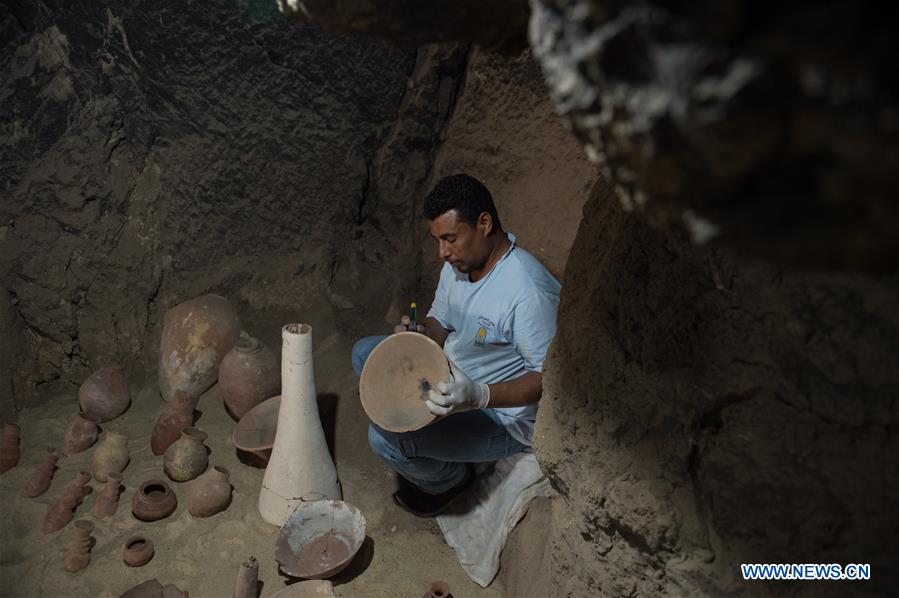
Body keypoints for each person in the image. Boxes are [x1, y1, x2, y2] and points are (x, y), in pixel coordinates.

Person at [352, 174, 560, 517]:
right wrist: (419, 333)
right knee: (365, 352)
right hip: (455, 374)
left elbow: (544, 380)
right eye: (437, 240)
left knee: (386, 442)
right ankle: (438, 439)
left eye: (450, 239)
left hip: (501, 415)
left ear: (484, 223)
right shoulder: (461, 263)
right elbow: (440, 321)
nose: (442, 253)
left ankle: (449, 482)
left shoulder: (527, 292)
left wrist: (477, 396)